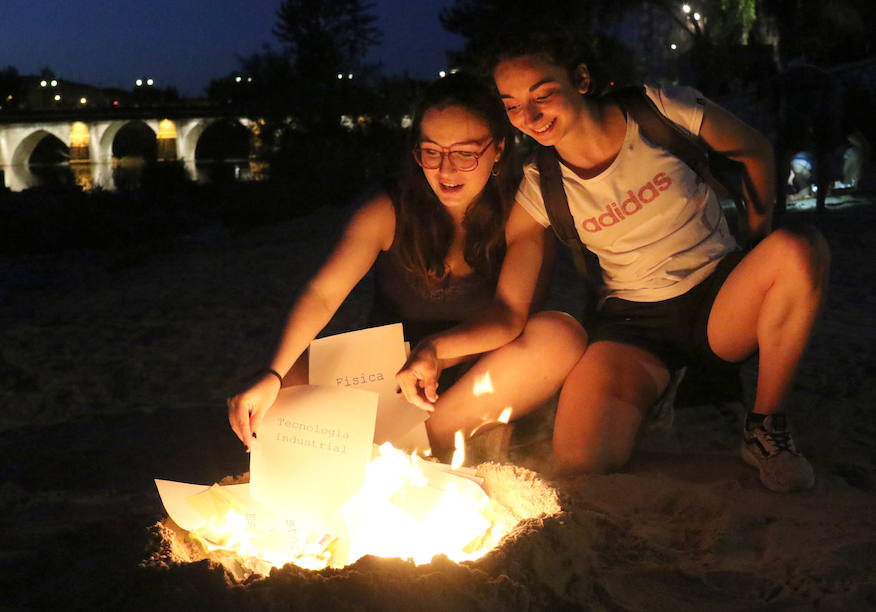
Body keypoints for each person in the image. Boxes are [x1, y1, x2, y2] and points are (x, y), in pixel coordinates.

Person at [397, 29, 830, 492]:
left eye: (543, 95)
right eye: (513, 106)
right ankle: (661, 393)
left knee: (799, 249)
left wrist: (757, 241)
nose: (532, 116)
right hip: (633, 325)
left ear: (580, 79)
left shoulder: (660, 111)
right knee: (582, 458)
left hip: (719, 299)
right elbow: (509, 312)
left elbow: (754, 150)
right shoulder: (538, 188)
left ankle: (765, 425)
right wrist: (435, 350)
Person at [228, 73, 586, 456]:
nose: (446, 170)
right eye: (432, 152)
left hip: (481, 375)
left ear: (498, 148)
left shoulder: (522, 212)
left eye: (465, 153)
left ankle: (414, 441)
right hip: (387, 374)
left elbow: (508, 316)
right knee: (285, 383)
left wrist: (435, 350)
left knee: (559, 336)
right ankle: (418, 442)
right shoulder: (388, 211)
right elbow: (323, 293)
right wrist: (273, 373)